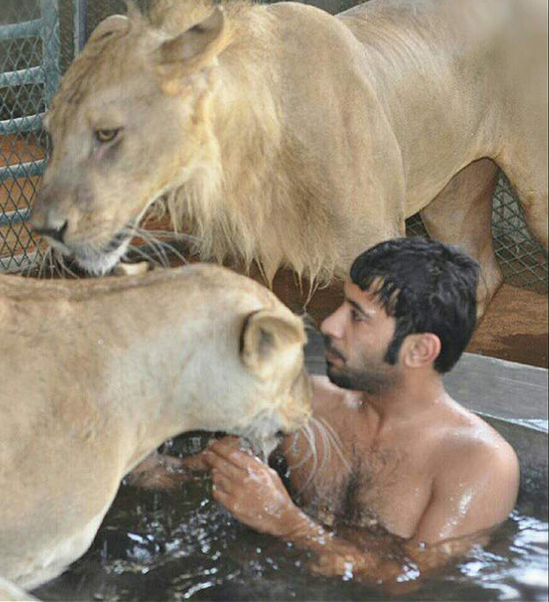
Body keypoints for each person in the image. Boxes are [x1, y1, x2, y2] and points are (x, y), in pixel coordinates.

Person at [197, 237, 520, 582]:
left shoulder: (479, 463)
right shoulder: (311, 404)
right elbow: (199, 473)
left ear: (420, 350)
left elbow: (410, 581)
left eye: (356, 316)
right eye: (342, 305)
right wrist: (155, 467)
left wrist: (285, 520)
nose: (329, 325)